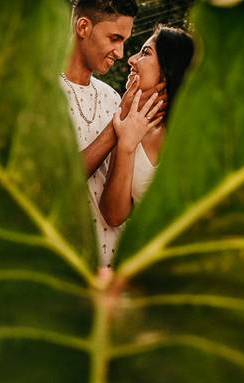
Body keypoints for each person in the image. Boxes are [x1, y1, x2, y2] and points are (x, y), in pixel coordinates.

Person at [60, 0, 166, 269]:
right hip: (67, 264)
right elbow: (57, 182)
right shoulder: (43, 91)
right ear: (83, 27)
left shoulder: (111, 97)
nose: (120, 53)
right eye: (114, 38)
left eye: (125, 41)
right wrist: (118, 122)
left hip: (112, 266)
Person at [98, 26, 195, 255]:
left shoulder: (195, 130)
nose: (131, 59)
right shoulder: (128, 126)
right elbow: (113, 215)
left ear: (169, 69)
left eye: (145, 52)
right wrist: (126, 145)